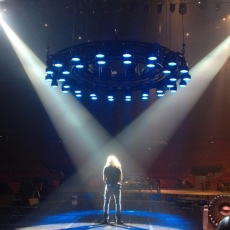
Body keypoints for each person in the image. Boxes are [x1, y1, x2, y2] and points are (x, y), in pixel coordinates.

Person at [102, 155, 123, 225]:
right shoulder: (118, 168)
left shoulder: (106, 168)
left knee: (106, 202)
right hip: (116, 186)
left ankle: (105, 219)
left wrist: (108, 183)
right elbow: (120, 179)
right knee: (117, 203)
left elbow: (104, 179)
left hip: (109, 186)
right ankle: (118, 219)